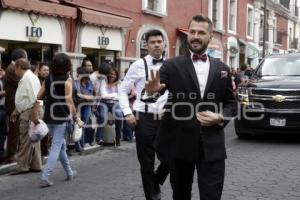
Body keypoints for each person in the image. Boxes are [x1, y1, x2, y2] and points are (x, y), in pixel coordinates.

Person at [144, 14, 237, 200]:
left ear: (210, 37)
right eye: (192, 31)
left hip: (212, 146)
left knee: (212, 195)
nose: (195, 36)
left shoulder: (223, 69)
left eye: (201, 32)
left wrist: (220, 117)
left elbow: (232, 104)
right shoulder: (171, 65)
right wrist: (152, 91)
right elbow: (153, 93)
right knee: (180, 194)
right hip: (179, 144)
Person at [119, 29, 169, 200]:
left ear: (164, 44)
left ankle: (156, 179)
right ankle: (152, 196)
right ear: (146, 45)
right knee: (146, 163)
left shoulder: (171, 65)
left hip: (165, 118)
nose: (156, 44)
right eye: (153, 42)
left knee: (171, 156)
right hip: (144, 118)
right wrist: (127, 112)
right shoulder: (137, 65)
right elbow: (122, 90)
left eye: (159, 41)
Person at [36, 53, 78, 187]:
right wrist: (74, 116)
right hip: (61, 117)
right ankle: (45, 176)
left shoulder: (49, 78)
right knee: (56, 147)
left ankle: (69, 172)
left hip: (48, 116)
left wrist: (36, 111)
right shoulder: (67, 79)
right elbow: (69, 100)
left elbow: (38, 96)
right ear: (67, 65)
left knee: (60, 146)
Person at [11, 58, 43, 175]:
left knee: (25, 139)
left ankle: (22, 166)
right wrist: (16, 110)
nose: (15, 70)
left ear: (19, 67)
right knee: (33, 139)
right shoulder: (29, 77)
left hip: (30, 111)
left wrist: (34, 114)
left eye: (15, 68)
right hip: (30, 110)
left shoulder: (28, 78)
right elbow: (25, 98)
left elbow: (36, 98)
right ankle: (36, 165)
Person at [4, 48, 27, 163]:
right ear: (19, 58)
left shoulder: (14, 68)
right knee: (14, 132)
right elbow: (23, 82)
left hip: (16, 105)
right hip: (13, 106)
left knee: (17, 131)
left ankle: (13, 154)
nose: (26, 61)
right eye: (25, 58)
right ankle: (10, 156)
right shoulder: (12, 69)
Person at [99, 67, 123, 146]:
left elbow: (120, 96)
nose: (112, 76)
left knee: (119, 116)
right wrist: (114, 95)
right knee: (102, 117)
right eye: (111, 74)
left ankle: (118, 138)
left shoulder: (119, 83)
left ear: (116, 76)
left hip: (116, 103)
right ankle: (99, 138)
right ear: (108, 74)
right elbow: (103, 95)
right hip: (104, 103)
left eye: (114, 74)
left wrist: (110, 95)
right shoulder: (103, 81)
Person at [0, 65, 6, 163]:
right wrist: (6, 91)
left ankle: (1, 154)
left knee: (2, 132)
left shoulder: (2, 79)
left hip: (3, 108)